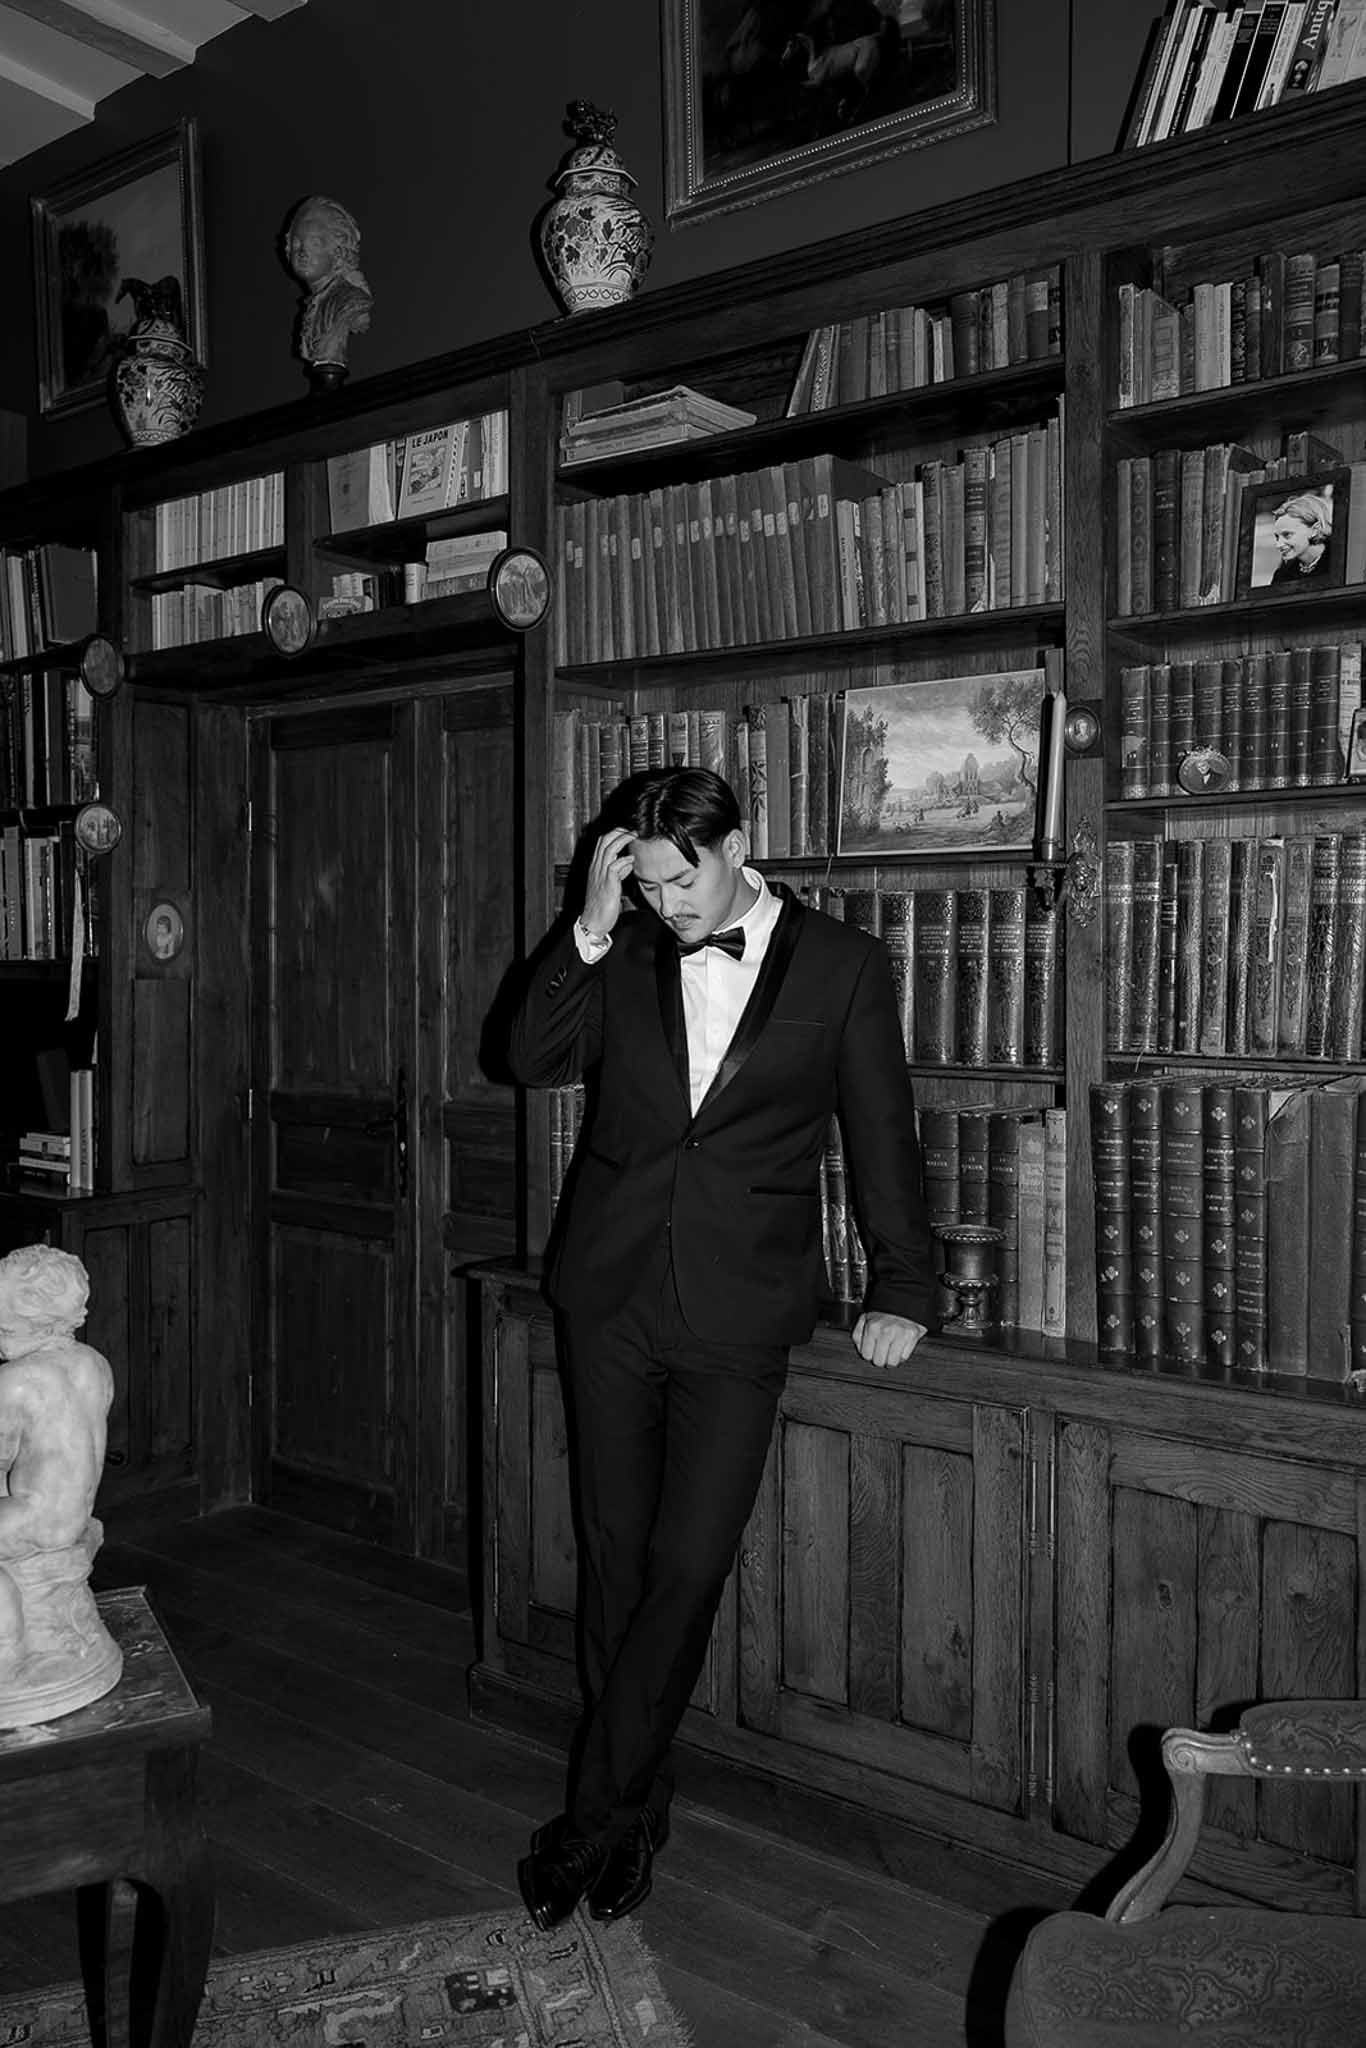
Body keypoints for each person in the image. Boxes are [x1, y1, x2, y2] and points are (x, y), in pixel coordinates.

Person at [506, 766, 935, 1930]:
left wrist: (904, 1281)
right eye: (643, 886)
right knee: (613, 1551)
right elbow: (526, 1056)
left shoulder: (841, 964)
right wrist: (588, 926)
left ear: (737, 845)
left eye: (679, 881)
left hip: (739, 1311)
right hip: (609, 1295)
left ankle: (593, 1814)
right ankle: (636, 1811)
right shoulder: (624, 945)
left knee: (689, 1563)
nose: (668, 906)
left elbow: (879, 1130)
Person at [0, 1246, 120, 1719]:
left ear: (36, 1320)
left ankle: (10, 1654)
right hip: (73, 1514)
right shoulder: (94, 1364)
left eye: (4, 1324)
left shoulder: (16, 1381)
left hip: (35, 1517)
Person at [283, 195, 372, 374]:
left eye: (315, 243)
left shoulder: (348, 300)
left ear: (338, 251)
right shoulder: (315, 304)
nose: (302, 251)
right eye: (297, 242)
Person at [1265, 489, 1333, 584]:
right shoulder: (1281, 576)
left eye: (1287, 535)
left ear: (1315, 530)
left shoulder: (1341, 562)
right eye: (1277, 537)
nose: (1278, 545)